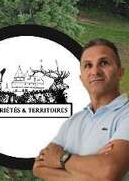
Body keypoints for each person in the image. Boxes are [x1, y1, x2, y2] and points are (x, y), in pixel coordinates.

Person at [34, 39, 129, 180]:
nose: (95, 71)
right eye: (87, 65)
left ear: (120, 72)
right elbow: (39, 167)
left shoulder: (125, 114)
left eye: (104, 63)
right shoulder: (73, 121)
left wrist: (61, 158)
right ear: (81, 78)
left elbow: (109, 171)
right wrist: (92, 173)